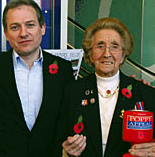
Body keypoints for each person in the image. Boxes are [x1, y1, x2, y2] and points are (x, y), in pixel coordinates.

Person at [0, 0, 75, 157]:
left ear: (42, 28)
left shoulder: (63, 70)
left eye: (30, 25)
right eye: (15, 27)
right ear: (6, 34)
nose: (23, 33)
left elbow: (71, 112)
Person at [57, 17, 155, 157]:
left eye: (114, 47)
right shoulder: (72, 91)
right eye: (100, 46)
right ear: (90, 54)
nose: (107, 54)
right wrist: (66, 152)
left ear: (123, 55)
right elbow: (57, 138)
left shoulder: (146, 94)